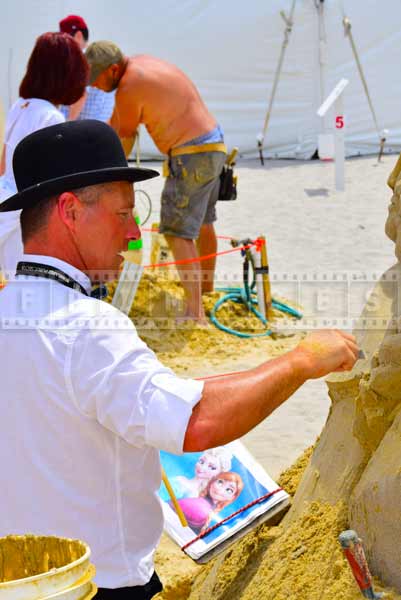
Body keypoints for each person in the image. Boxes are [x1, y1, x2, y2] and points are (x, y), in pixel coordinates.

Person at [0, 119, 359, 598]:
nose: (132, 235)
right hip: (96, 585)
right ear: (69, 210)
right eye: (123, 214)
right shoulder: (87, 325)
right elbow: (197, 422)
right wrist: (300, 360)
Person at [85, 41, 226, 323]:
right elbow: (117, 124)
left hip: (191, 154)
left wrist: (106, 175)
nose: (96, 87)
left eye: (97, 80)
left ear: (112, 70)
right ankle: (206, 293)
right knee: (204, 224)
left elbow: (123, 137)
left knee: (176, 231)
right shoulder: (142, 64)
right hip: (213, 145)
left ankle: (194, 313)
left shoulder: (128, 85)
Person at [0, 31, 88, 277]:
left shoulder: (21, 105)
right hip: (27, 215)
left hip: (8, 202)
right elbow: (55, 181)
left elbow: (4, 163)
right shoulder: (50, 116)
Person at [59, 15, 115, 122]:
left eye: (65, 39)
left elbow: (80, 95)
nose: (63, 45)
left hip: (79, 131)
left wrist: (68, 125)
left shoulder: (80, 59)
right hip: (99, 130)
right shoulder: (103, 59)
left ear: (79, 36)